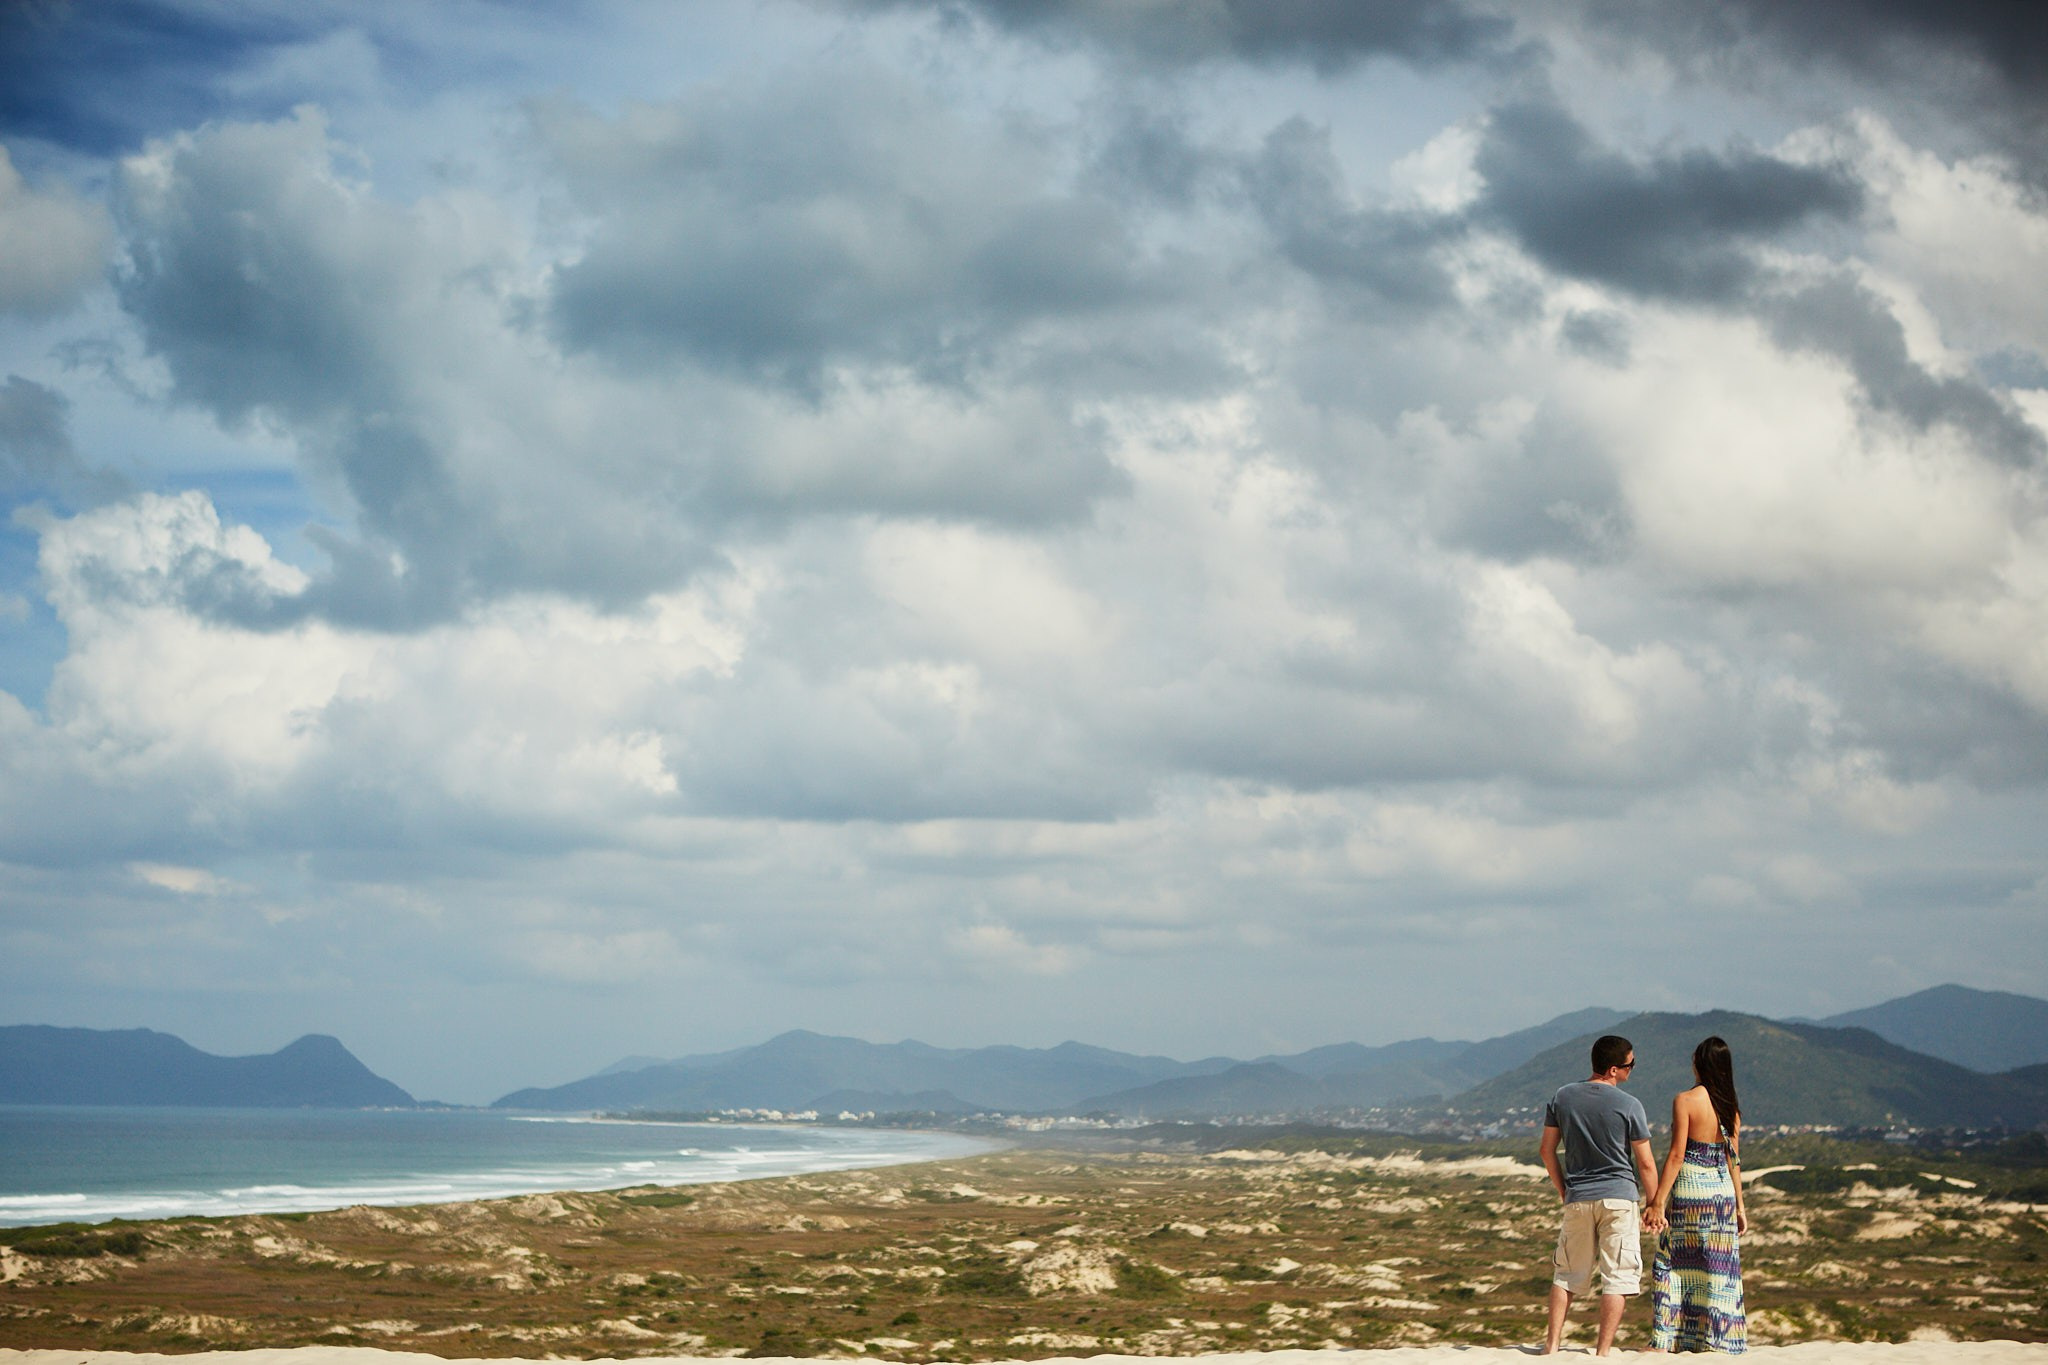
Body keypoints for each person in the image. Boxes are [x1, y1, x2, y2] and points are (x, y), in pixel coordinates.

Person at [1540, 1034, 1659, 1356]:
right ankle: (1603, 1352)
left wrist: (1564, 1189)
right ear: (1612, 1070)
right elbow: (1646, 1163)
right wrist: (1655, 1204)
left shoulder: (1562, 1097)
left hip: (1578, 1196)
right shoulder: (1629, 1104)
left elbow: (1546, 1150)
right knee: (1618, 1277)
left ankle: (1551, 1345)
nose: (1632, 1070)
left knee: (1566, 1274)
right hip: (1619, 1197)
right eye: (1629, 1065)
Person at [1647, 1035, 1748, 1353]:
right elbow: (1734, 1161)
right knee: (1718, 1269)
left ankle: (1668, 1338)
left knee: (1674, 1265)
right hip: (1722, 1196)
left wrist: (1658, 1201)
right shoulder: (1731, 1109)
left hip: (1691, 1190)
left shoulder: (1685, 1100)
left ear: (1699, 1063)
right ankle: (1718, 1341)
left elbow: (1676, 1155)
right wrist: (1741, 1208)